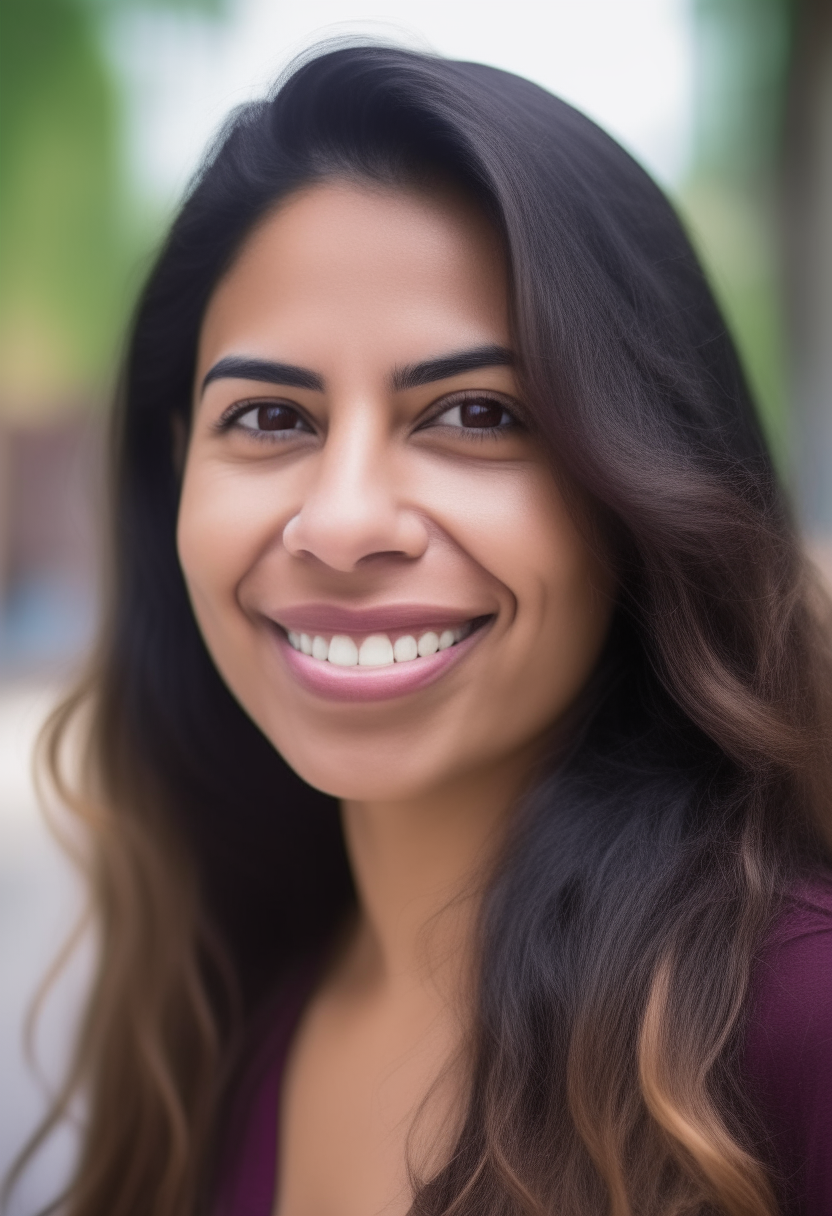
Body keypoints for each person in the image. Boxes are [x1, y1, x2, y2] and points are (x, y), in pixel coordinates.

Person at [12, 44, 832, 1216]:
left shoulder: (797, 1030)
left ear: (640, 486)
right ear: (173, 481)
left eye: (474, 413)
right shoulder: (216, 1013)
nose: (342, 523)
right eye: (269, 417)